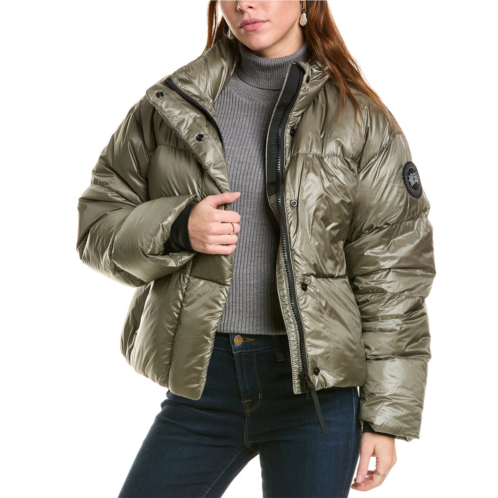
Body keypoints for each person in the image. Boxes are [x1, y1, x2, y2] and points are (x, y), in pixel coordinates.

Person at [77, 1, 436, 497]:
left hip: (315, 393)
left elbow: (394, 274)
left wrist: (385, 418)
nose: (246, 2)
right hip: (205, 380)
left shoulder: (360, 118)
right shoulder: (172, 105)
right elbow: (96, 226)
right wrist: (178, 226)